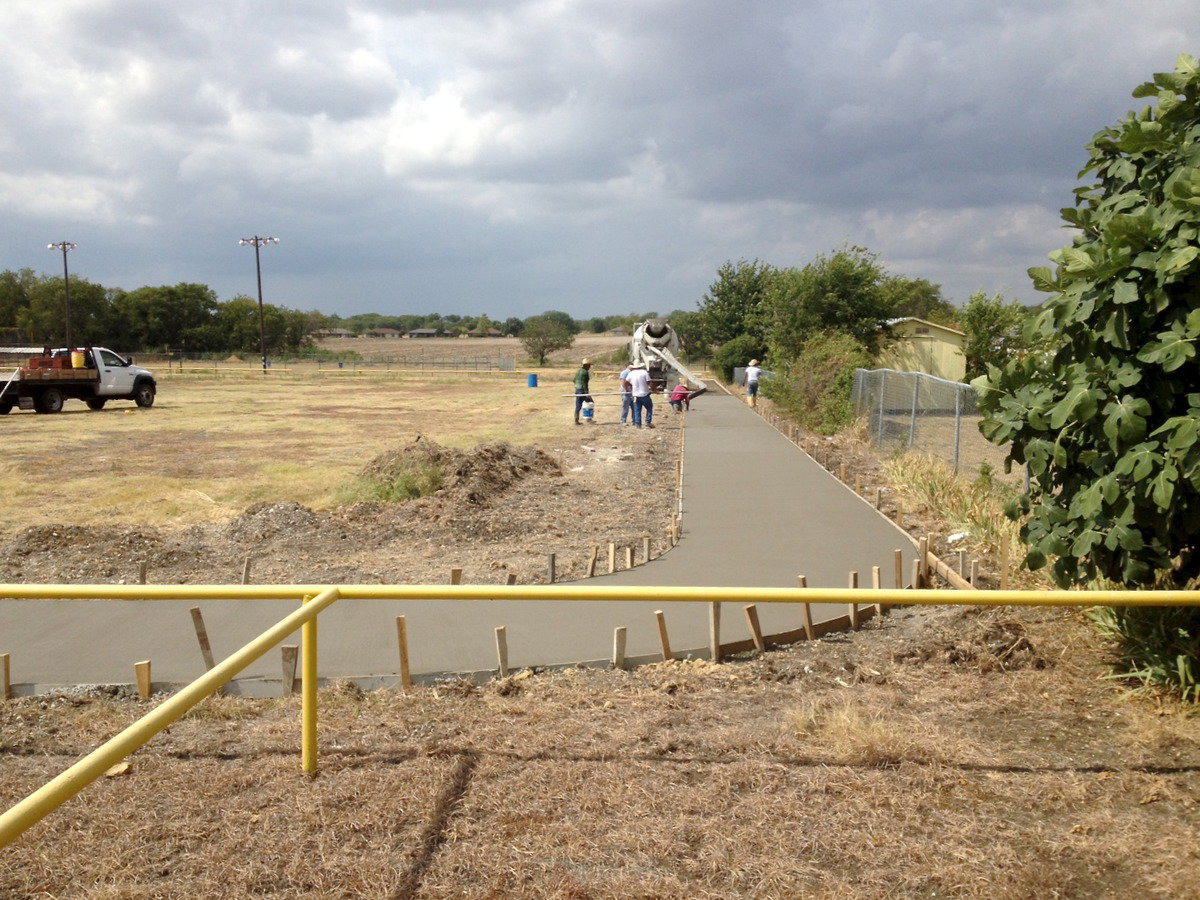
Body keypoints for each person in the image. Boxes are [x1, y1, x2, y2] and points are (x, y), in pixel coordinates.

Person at [627, 361, 654, 428]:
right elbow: (649, 382)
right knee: (649, 407)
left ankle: (638, 424)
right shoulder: (644, 372)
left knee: (637, 410)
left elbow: (626, 382)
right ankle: (648, 422)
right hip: (644, 394)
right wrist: (655, 390)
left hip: (636, 394)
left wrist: (631, 386)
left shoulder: (631, 373)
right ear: (641, 366)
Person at [573, 358, 593, 425]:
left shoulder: (578, 371)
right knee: (590, 402)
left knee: (578, 405)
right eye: (589, 365)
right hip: (582, 391)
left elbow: (574, 380)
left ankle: (576, 420)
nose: (590, 367)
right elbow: (585, 384)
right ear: (586, 365)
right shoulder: (585, 372)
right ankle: (589, 419)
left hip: (577, 390)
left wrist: (576, 387)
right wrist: (587, 393)